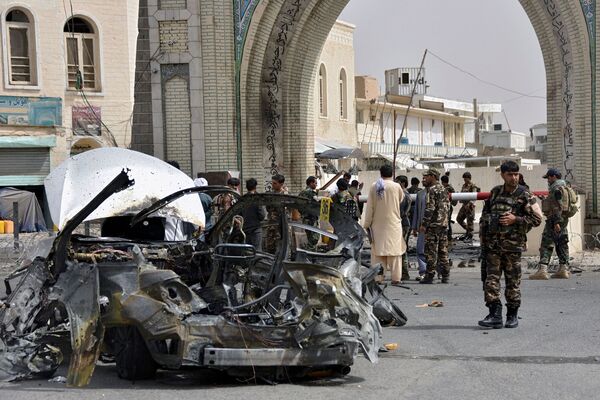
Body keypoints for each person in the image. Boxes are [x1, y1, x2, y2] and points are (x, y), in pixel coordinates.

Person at [478, 161, 542, 328]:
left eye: (516, 174)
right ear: (503, 175)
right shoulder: (495, 193)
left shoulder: (525, 195)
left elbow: (537, 219)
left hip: (513, 248)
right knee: (490, 281)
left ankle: (512, 315)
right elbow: (485, 217)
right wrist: (483, 241)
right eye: (510, 174)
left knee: (513, 282)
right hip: (493, 246)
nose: (514, 178)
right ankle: (494, 314)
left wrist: (516, 219)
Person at [363, 165, 406, 284]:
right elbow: (401, 199)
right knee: (395, 253)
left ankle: (378, 278)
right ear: (392, 174)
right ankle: (396, 278)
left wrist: (366, 224)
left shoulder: (374, 186)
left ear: (380, 173)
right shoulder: (396, 186)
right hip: (394, 224)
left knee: (378, 253)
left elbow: (370, 207)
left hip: (378, 225)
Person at [530, 168, 572, 280]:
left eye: (548, 177)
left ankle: (542, 270)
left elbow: (557, 206)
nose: (548, 180)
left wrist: (556, 222)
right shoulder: (564, 186)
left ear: (554, 176)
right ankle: (563, 269)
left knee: (546, 243)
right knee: (561, 243)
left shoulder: (556, 188)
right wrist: (545, 199)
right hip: (562, 219)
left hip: (555, 219)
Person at [419, 168, 451, 284]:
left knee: (430, 251)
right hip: (443, 224)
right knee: (443, 250)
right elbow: (447, 207)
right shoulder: (443, 189)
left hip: (433, 225)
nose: (425, 179)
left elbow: (430, 208)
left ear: (433, 176)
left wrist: (424, 224)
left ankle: (430, 275)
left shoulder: (432, 190)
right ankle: (445, 274)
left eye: (426, 176)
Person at [240, 178, 267, 250]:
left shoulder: (243, 198)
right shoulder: (257, 198)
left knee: (247, 251)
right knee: (257, 251)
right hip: (255, 229)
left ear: (246, 187)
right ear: (255, 187)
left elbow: (239, 214)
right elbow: (262, 215)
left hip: (245, 229)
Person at [264, 174, 288, 253]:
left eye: (275, 183)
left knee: (283, 244)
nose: (272, 185)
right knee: (270, 244)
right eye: (272, 183)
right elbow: (268, 208)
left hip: (282, 223)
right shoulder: (271, 195)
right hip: (272, 223)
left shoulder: (286, 195)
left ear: (281, 184)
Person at [395, 175, 412, 281]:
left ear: (402, 183)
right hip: (404, 223)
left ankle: (404, 272)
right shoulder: (405, 194)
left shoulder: (403, 195)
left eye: (397, 182)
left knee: (401, 248)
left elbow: (399, 212)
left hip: (402, 223)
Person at [456, 171, 480, 241]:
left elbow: (474, 196)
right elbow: (462, 194)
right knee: (459, 219)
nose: (464, 180)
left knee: (470, 221)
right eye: (464, 179)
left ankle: (470, 236)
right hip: (464, 206)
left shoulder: (473, 185)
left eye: (465, 178)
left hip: (470, 206)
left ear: (469, 178)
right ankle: (468, 231)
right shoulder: (464, 185)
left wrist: (470, 204)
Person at [411, 184, 428, 280]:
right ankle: (423, 271)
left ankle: (439, 272)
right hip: (422, 228)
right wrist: (415, 227)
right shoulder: (420, 194)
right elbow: (417, 211)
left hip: (435, 227)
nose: (424, 179)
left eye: (426, 177)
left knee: (436, 250)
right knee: (421, 250)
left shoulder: (440, 192)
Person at [298, 176, 320, 249]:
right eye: (315, 183)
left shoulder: (302, 192)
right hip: (312, 218)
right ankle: (311, 255)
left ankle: (310, 253)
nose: (316, 185)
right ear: (311, 183)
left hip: (305, 218)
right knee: (314, 238)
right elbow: (317, 202)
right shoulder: (310, 192)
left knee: (309, 236)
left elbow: (298, 205)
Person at [441, 175, 457, 242]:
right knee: (446, 222)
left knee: (447, 222)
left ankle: (449, 236)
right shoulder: (446, 188)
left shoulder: (448, 188)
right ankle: (447, 236)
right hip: (445, 207)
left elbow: (454, 199)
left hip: (448, 207)